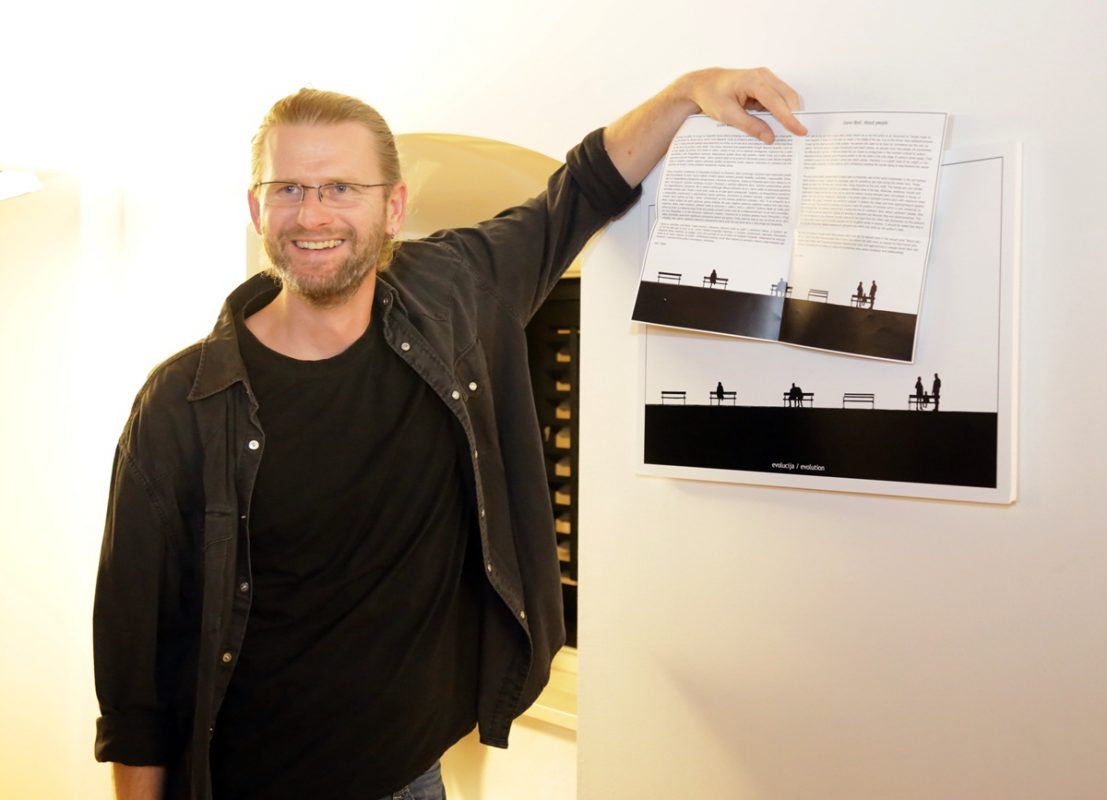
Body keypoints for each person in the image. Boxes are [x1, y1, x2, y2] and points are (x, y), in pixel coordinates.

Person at [92, 67, 806, 800]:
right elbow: (133, 663)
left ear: (393, 207)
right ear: (257, 207)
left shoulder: (452, 295)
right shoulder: (181, 403)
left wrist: (687, 92)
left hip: (412, 777)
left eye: (340, 188)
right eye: (290, 189)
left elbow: (581, 191)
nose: (312, 214)